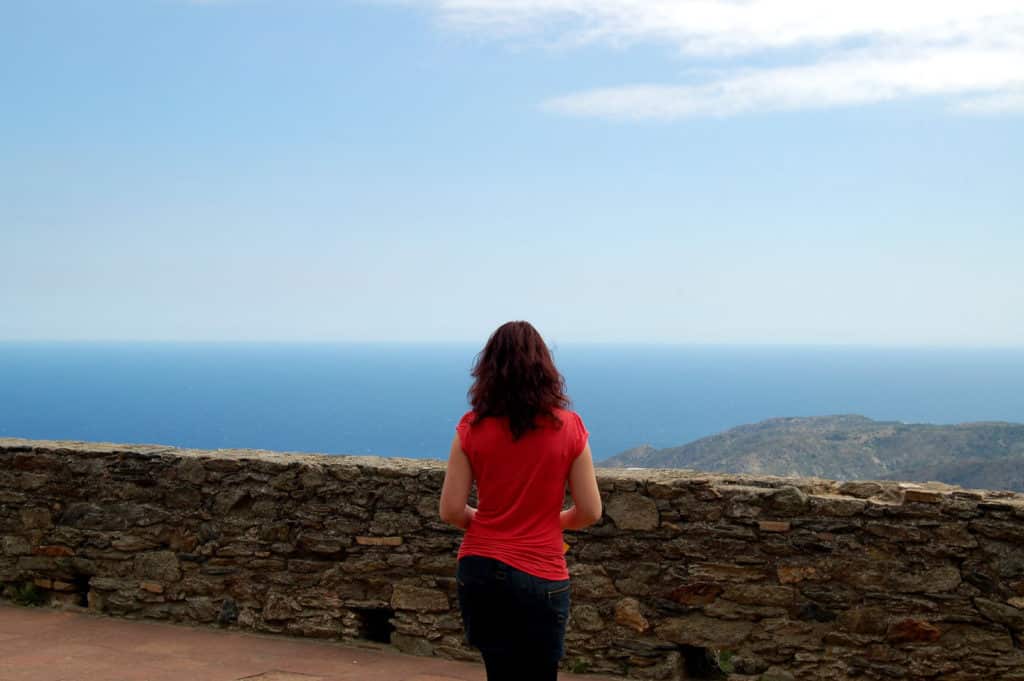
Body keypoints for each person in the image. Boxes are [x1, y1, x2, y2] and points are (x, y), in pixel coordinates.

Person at [439, 321, 603, 681]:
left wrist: (490, 522)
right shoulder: (570, 427)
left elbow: (451, 510)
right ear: (545, 368)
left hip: (480, 567)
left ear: (488, 370)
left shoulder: (471, 428)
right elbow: (590, 511)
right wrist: (547, 522)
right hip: (541, 572)